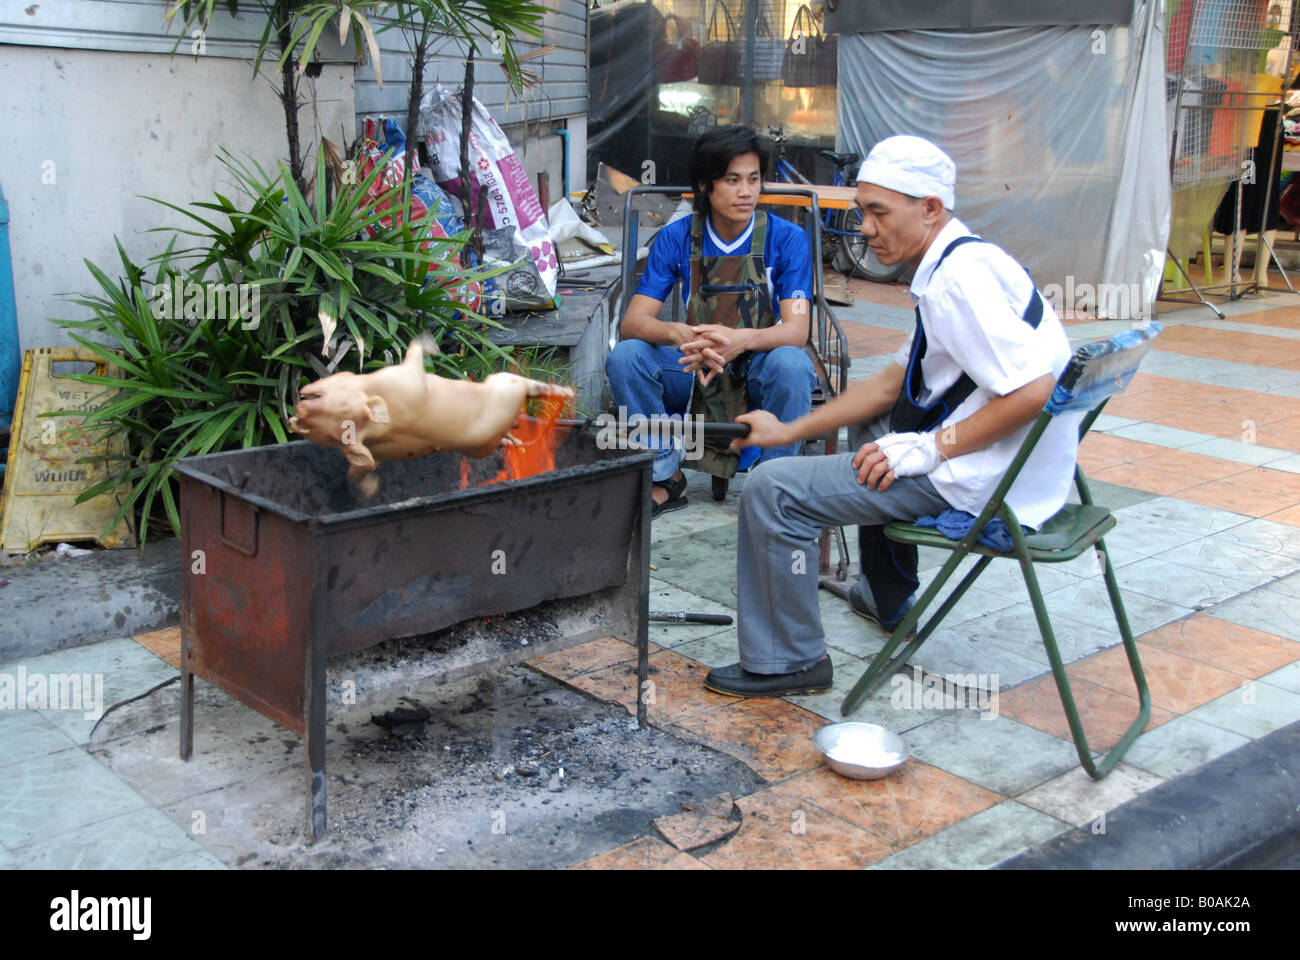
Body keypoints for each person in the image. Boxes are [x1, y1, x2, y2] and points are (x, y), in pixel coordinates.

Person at [703, 135, 1083, 698]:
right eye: (862, 212)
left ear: (930, 207)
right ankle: (887, 594)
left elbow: (1033, 391)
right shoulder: (967, 255)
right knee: (877, 423)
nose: (866, 229)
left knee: (771, 488)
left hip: (990, 477)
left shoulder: (957, 282)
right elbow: (889, 383)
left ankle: (788, 661)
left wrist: (930, 450)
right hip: (1034, 467)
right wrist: (787, 429)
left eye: (879, 212)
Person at [605, 125, 816, 518]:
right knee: (627, 357)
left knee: (792, 362)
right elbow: (633, 323)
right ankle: (666, 475)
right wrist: (678, 333)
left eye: (754, 179)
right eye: (732, 180)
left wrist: (741, 340)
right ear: (705, 184)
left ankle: (776, 485)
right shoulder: (677, 238)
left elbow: (796, 330)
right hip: (692, 365)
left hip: (756, 367)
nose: (746, 191)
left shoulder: (787, 239)